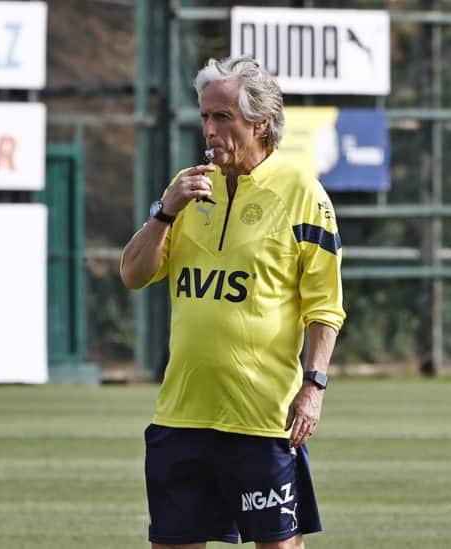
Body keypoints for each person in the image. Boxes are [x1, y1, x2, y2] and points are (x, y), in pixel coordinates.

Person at [120, 56, 345, 549]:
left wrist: (313, 386)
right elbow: (133, 275)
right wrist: (165, 211)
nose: (210, 130)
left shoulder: (302, 194)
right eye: (205, 116)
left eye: (223, 117)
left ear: (260, 123)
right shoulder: (187, 187)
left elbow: (325, 306)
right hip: (182, 414)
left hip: (262, 418)